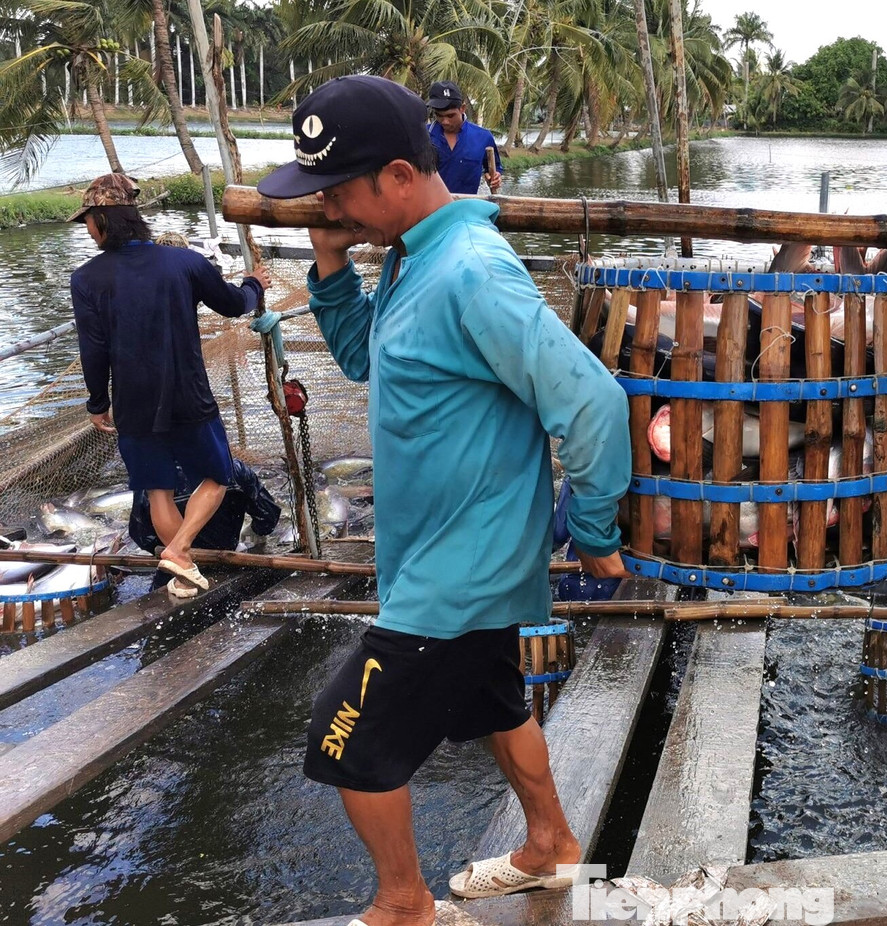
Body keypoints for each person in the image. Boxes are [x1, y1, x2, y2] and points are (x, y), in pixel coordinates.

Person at [256, 75, 631, 925]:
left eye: (339, 191)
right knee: (495, 705)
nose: (329, 204)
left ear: (396, 175)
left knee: (344, 744)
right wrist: (329, 258)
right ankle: (550, 846)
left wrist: (597, 529)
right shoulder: (410, 255)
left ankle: (404, 906)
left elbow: (593, 403)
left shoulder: (467, 270)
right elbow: (365, 358)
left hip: (456, 576)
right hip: (449, 559)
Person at [70, 173, 271, 598]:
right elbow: (236, 303)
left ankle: (182, 571)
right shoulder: (185, 263)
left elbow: (94, 349)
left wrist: (97, 402)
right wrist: (255, 284)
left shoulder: (86, 278)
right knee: (217, 477)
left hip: (133, 402)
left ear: (104, 220)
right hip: (187, 394)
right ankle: (180, 553)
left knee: (157, 487)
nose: (87, 230)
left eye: (88, 220)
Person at [128, 458, 282, 556]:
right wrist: (255, 531)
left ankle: (179, 554)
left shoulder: (150, 480)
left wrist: (165, 549)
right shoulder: (234, 469)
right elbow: (268, 515)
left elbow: (141, 535)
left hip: (176, 564)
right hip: (227, 555)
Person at [425, 80, 503, 195]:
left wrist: (495, 177)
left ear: (462, 108)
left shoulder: (483, 137)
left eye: (450, 115)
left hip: (466, 207)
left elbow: (493, 168)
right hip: (430, 209)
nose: (445, 121)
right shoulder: (423, 135)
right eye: (439, 115)